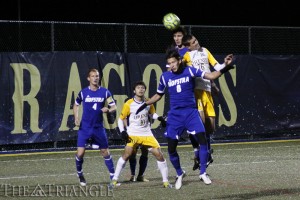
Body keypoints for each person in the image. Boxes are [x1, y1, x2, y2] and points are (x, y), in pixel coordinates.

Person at [135, 49, 234, 189]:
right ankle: (180, 173)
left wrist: (224, 68)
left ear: (179, 60)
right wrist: (145, 103)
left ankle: (203, 173)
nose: (172, 65)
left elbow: (211, 76)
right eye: (169, 63)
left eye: (173, 62)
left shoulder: (190, 71)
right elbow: (158, 95)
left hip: (191, 113)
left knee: (203, 140)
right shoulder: (165, 77)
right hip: (175, 116)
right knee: (171, 148)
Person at [182, 34, 234, 170]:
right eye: (193, 42)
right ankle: (200, 154)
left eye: (196, 39)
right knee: (198, 126)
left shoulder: (205, 51)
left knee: (209, 129)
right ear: (188, 46)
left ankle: (207, 153)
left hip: (208, 92)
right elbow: (180, 70)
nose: (196, 42)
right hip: (196, 93)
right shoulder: (187, 56)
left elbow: (216, 67)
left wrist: (225, 64)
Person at [110, 81, 171, 188]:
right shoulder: (129, 103)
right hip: (133, 134)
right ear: (134, 91)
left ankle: (165, 182)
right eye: (138, 88)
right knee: (127, 155)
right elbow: (121, 119)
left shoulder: (148, 102)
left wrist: (159, 118)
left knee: (159, 155)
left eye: (143, 88)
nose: (141, 89)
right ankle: (114, 180)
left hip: (147, 134)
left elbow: (152, 114)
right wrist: (123, 131)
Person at [73, 68, 116, 186]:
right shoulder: (83, 93)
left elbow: (114, 107)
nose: (95, 78)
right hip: (85, 128)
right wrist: (76, 117)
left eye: (97, 76)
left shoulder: (105, 92)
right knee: (80, 153)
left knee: (105, 152)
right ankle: (80, 174)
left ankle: (113, 177)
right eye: (93, 76)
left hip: (98, 128)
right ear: (88, 78)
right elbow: (76, 105)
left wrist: (108, 109)